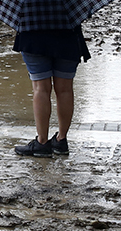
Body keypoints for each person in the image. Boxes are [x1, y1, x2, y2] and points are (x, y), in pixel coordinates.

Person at [12, 26, 90, 157]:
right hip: (68, 37)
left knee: (40, 88)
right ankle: (61, 139)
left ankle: (42, 142)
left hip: (33, 36)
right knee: (65, 89)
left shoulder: (27, 4)